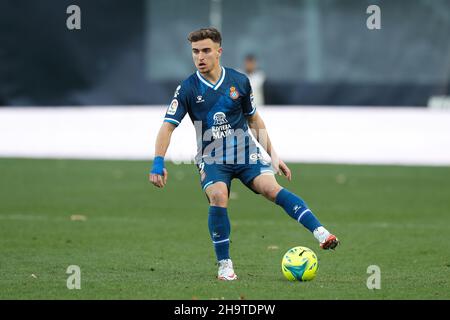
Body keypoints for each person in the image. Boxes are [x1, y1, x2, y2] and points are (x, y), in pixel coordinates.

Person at [149, 27, 339, 281]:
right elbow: (167, 126)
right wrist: (158, 161)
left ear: (219, 51)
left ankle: (321, 233)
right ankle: (225, 265)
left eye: (206, 50)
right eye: (195, 51)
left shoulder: (239, 81)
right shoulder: (187, 89)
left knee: (272, 189)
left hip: (246, 152)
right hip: (212, 157)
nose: (200, 57)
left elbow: (254, 120)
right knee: (218, 195)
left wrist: (273, 154)